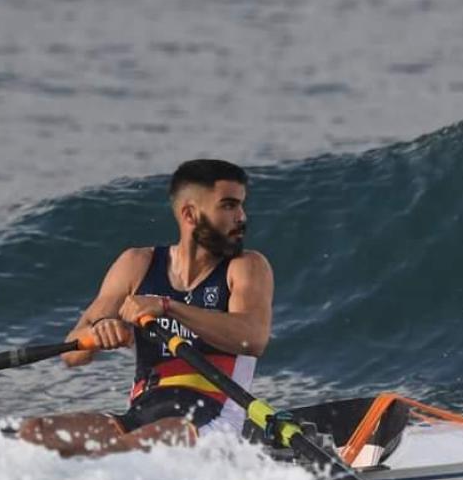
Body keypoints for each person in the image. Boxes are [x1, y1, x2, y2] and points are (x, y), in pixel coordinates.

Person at [17, 159, 274, 456]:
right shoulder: (137, 264)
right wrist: (100, 332)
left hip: (213, 421)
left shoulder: (246, 267)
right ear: (190, 214)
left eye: (241, 205)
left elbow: (252, 338)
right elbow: (73, 354)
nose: (241, 216)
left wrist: (167, 307)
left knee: (129, 450)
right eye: (228, 206)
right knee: (35, 434)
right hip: (141, 415)